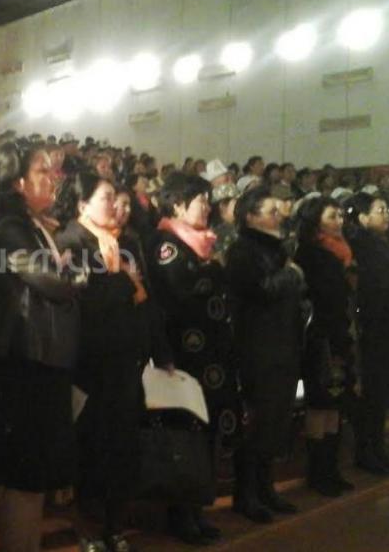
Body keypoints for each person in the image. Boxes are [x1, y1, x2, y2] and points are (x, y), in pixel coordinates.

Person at [0, 142, 79, 552]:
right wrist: (76, 272)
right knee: (24, 476)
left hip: (38, 359)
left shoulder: (34, 227)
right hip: (22, 362)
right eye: (42, 170)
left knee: (34, 477)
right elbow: (54, 281)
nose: (53, 178)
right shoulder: (9, 230)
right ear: (18, 182)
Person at [54, 172, 149, 552]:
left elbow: (141, 292)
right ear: (83, 205)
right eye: (106, 197)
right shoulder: (71, 241)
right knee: (91, 446)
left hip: (124, 360)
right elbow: (88, 298)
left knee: (121, 446)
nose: (114, 205)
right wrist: (124, 282)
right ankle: (89, 527)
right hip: (89, 364)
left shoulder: (122, 241)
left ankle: (114, 523)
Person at [150, 173, 241, 544]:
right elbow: (182, 292)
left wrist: (212, 271)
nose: (207, 207)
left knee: (207, 431)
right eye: (199, 201)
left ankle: (198, 508)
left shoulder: (204, 243)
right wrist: (214, 269)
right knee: (185, 433)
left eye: (207, 200)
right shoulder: (166, 245)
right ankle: (180, 515)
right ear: (176, 205)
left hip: (213, 351)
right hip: (183, 354)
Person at [226, 186, 306, 523]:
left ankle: (266, 486)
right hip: (258, 349)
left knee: (276, 421)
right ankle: (246, 494)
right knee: (257, 423)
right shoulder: (243, 251)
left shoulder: (276, 248)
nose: (279, 216)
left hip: (283, 344)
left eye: (279, 210)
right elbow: (259, 291)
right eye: (271, 211)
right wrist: (291, 274)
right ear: (250, 217)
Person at [343, 193, 389, 474]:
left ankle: (377, 449)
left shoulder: (383, 243)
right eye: (379, 210)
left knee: (381, 393)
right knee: (371, 394)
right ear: (363, 218)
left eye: (387, 210)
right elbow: (371, 288)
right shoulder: (362, 247)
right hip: (373, 328)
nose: (386, 215)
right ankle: (368, 451)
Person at [294, 197, 356, 496]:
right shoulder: (310, 254)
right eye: (332, 216)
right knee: (320, 402)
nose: (339, 221)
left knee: (336, 402)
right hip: (320, 336)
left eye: (340, 216)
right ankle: (318, 471)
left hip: (339, 333)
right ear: (315, 221)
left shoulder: (340, 252)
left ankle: (332, 467)